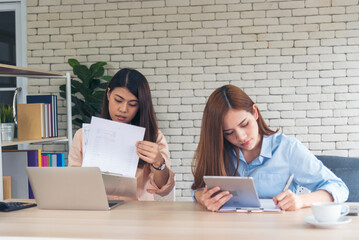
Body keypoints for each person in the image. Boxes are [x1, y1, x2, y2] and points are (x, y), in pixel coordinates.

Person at [192, 84, 349, 212]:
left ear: (255, 112)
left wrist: (301, 200)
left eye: (244, 124)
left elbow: (339, 188)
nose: (241, 137)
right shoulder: (218, 151)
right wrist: (203, 198)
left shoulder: (287, 148)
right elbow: (198, 189)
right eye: (228, 133)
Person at [68, 68, 175, 201]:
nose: (123, 109)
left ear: (141, 106)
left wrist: (159, 162)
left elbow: (164, 189)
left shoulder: (154, 137)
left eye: (132, 104)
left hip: (140, 215)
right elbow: (73, 183)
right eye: (118, 100)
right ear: (108, 94)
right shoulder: (83, 136)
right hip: (98, 211)